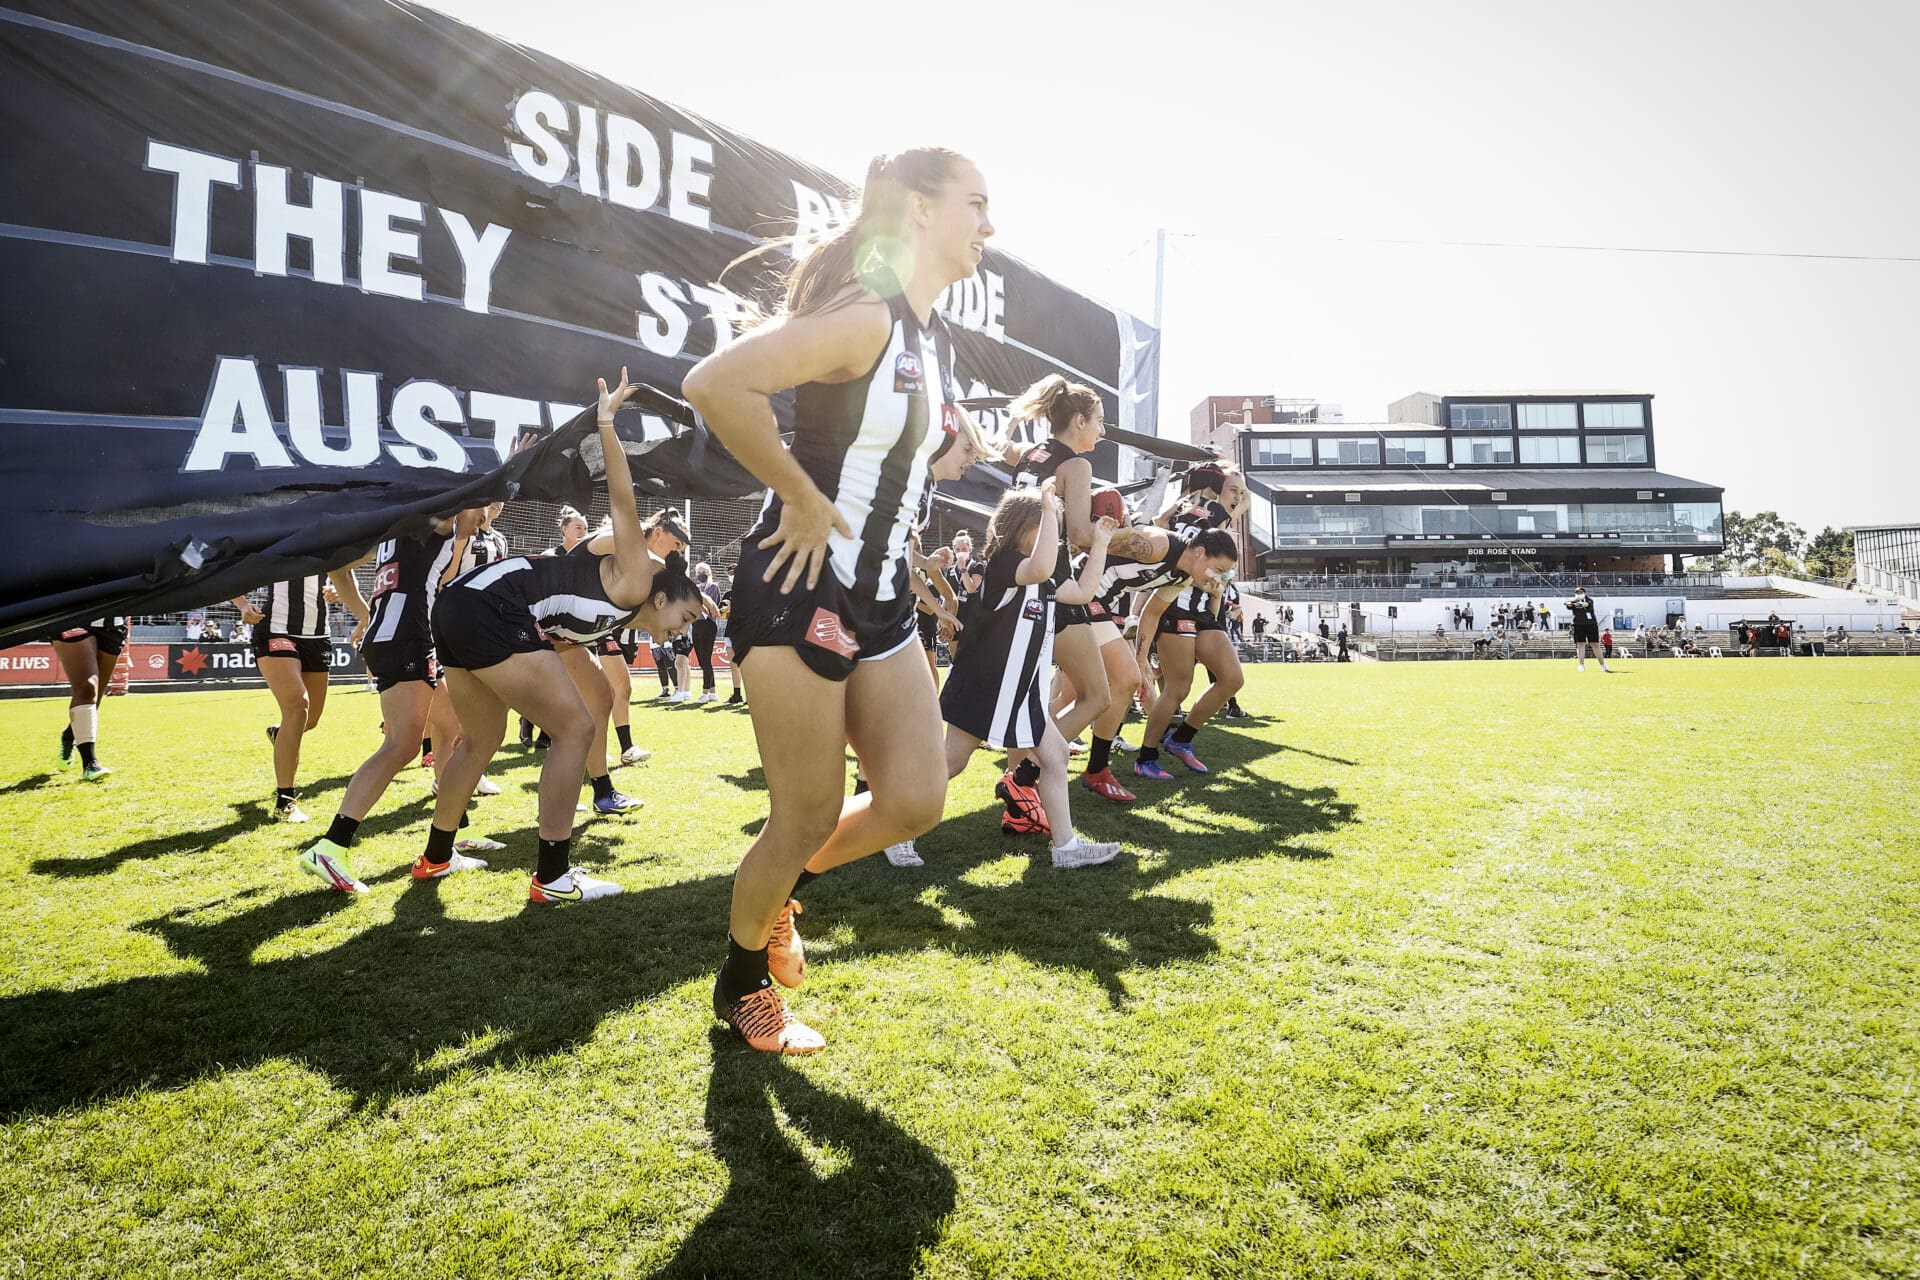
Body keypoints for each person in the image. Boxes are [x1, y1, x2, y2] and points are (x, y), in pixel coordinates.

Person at [682, 146, 991, 1054]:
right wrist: (803, 494)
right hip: (797, 584)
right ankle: (740, 989)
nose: (990, 224)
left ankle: (781, 902)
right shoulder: (865, 315)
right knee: (807, 811)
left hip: (884, 598)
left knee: (916, 799)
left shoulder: (925, 338)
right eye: (977, 203)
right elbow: (716, 383)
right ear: (921, 210)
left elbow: (877, 453)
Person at [420, 368, 707, 902]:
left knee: (482, 739)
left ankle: (437, 857)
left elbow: (574, 634)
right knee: (574, 730)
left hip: (464, 603)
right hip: (489, 605)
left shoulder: (627, 611)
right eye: (684, 619)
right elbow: (623, 503)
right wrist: (606, 425)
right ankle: (552, 877)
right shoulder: (637, 579)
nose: (678, 633)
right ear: (662, 599)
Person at [301, 505, 488, 892]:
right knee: (401, 745)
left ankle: (449, 840)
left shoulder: (396, 526)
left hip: (395, 636)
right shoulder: (435, 519)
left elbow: (339, 565)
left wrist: (367, 617)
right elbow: (472, 513)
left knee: (452, 725)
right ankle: (332, 845)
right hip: (408, 638)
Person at [935, 482, 1120, 869]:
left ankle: (1066, 848)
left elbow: (1085, 592)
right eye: (1046, 526)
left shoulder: (1044, 577)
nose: (1053, 536)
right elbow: (1039, 565)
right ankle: (893, 828)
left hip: (1018, 692)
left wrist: (1101, 541)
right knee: (949, 765)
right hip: (987, 688)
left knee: (1053, 757)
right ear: (1022, 528)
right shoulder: (1003, 564)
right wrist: (1051, 510)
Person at [230, 576, 332, 821]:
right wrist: (243, 604)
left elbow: (345, 573)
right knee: (298, 707)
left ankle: (279, 734)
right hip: (275, 628)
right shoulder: (277, 539)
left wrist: (337, 588)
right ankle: (285, 801)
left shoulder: (330, 541)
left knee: (311, 719)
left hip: (318, 636)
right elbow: (231, 569)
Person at [49, 617, 126, 780]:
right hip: (75, 617)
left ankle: (70, 735)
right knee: (87, 688)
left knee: (94, 698)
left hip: (113, 624)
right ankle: (90, 763)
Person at [690, 563, 725, 701]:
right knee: (702, 660)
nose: (700, 574)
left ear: (709, 572)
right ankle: (713, 692)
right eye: (698, 572)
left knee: (705, 659)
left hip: (708, 625)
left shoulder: (713, 587)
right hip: (696, 624)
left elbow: (707, 606)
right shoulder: (696, 588)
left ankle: (705, 692)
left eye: (703, 571)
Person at [1566, 586, 1609, 672]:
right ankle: (1581, 665)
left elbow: (1586, 604)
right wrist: (1570, 603)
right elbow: (1569, 605)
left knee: (1595, 644)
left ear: (1584, 593)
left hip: (1591, 624)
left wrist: (1579, 604)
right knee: (1580, 644)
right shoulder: (1573, 600)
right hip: (1578, 624)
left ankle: (1602, 665)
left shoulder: (1590, 600)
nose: (1579, 594)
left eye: (1581, 592)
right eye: (1577, 592)